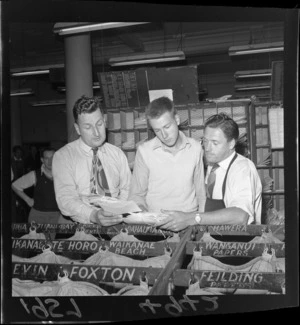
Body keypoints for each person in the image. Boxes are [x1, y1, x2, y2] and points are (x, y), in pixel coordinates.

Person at [156, 113, 262, 231]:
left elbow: (240, 216)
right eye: (205, 141)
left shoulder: (242, 169)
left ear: (231, 143)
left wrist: (191, 218)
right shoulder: (214, 164)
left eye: (215, 143)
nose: (207, 148)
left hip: (241, 242)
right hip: (218, 238)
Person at [52, 95, 131, 225]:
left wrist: (118, 212)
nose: (96, 133)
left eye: (99, 124)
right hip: (83, 228)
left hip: (117, 225)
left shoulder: (117, 154)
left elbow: (127, 189)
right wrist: (93, 215)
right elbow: (66, 199)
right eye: (88, 127)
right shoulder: (63, 156)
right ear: (77, 129)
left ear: (104, 121)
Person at [128, 96, 206, 220]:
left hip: (188, 221)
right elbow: (136, 195)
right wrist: (144, 214)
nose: (164, 135)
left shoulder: (195, 148)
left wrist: (199, 221)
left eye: (167, 127)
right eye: (157, 130)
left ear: (177, 119)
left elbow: (201, 193)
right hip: (157, 223)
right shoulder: (145, 152)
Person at [11, 147, 69, 224]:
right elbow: (15, 185)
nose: (50, 161)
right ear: (42, 160)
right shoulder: (35, 174)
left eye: (52, 157)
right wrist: (28, 200)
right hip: (37, 216)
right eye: (46, 158)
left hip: (57, 215)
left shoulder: (64, 175)